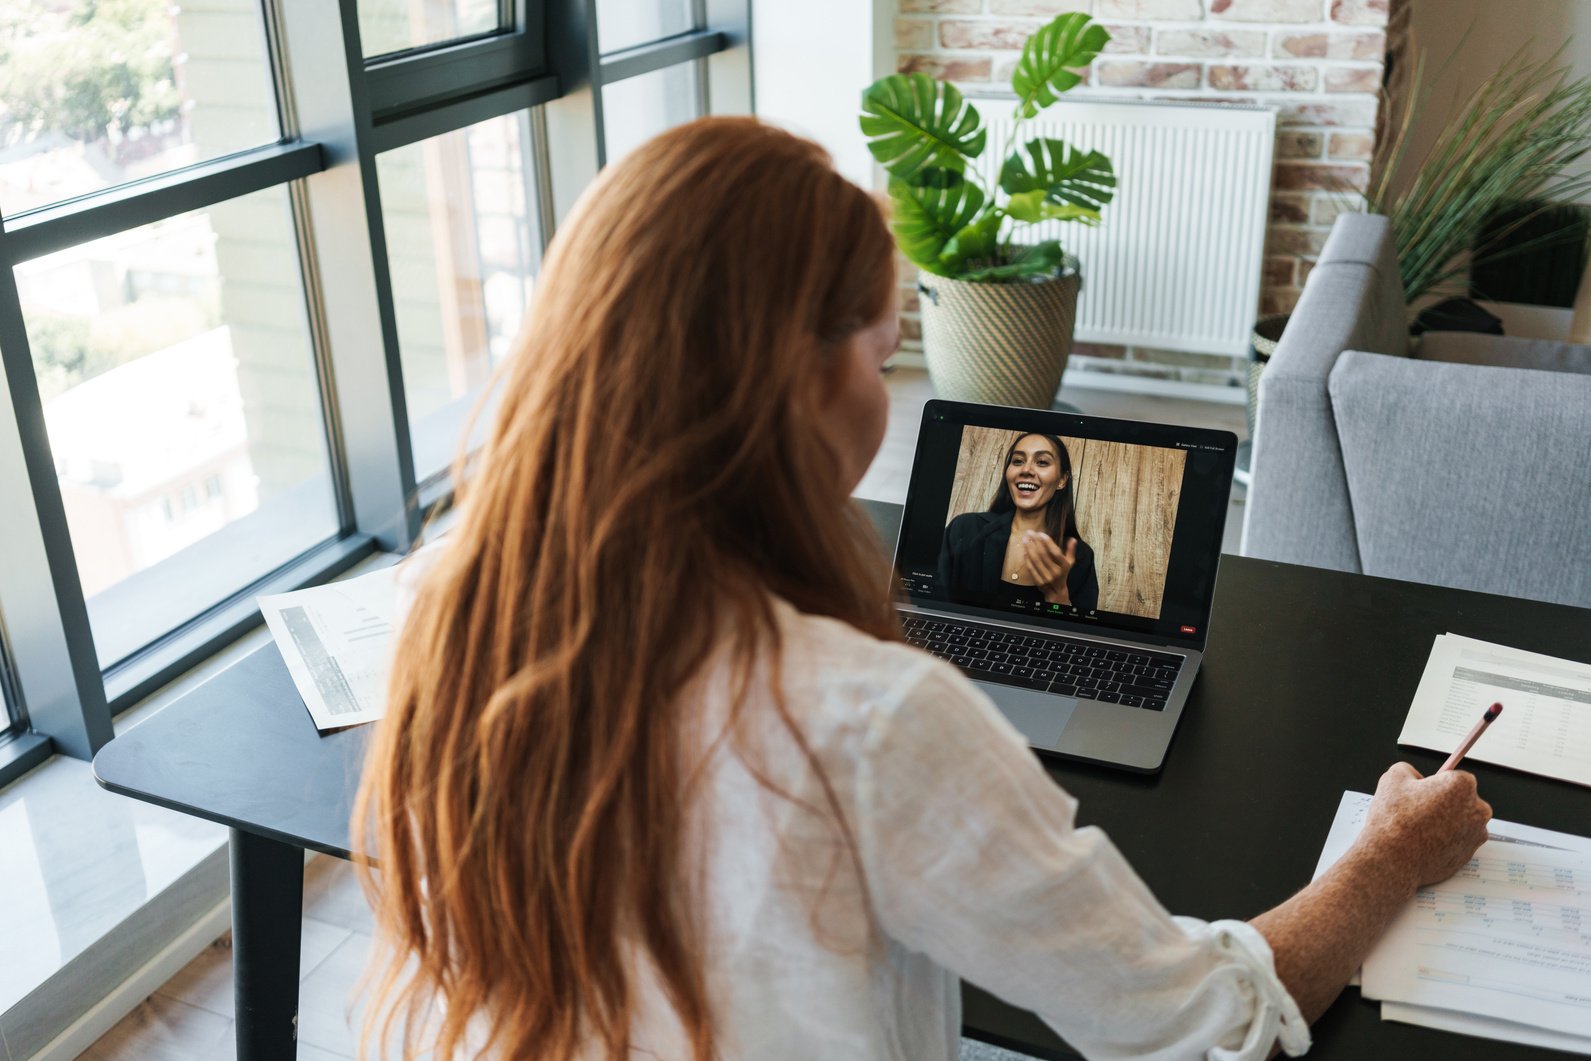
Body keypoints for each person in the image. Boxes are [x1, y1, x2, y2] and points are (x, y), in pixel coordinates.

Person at [352, 117, 1492, 1061]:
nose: (894, 364)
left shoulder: (455, 608)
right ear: (801, 379)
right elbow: (1200, 1024)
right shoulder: (872, 715)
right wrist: (1389, 852)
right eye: (884, 335)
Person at [938, 432, 1100, 612]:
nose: (1026, 470)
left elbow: (1076, 635)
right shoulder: (964, 529)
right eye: (1017, 461)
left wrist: (1058, 595)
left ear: (1062, 480)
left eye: (1042, 462)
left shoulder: (1081, 557)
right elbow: (933, 602)